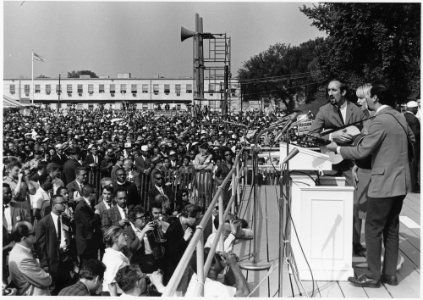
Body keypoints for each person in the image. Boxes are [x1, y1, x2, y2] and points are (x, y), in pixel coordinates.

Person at [327, 83, 414, 287]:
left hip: (383, 184)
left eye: (365, 97)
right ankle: (390, 275)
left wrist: (338, 149)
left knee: (373, 229)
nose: (362, 101)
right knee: (391, 229)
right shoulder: (399, 116)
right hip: (400, 182)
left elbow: (361, 152)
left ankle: (372, 276)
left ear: (375, 98)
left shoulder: (380, 121)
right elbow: (411, 140)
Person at [309, 78, 368, 257]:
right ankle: (326, 241)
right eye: (328, 90)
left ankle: (355, 244)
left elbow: (366, 133)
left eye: (334, 90)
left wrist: (357, 138)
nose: (330, 94)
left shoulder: (356, 110)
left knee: (356, 204)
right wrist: (333, 137)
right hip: (330, 162)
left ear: (343, 92)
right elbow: (313, 134)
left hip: (351, 163)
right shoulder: (324, 110)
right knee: (327, 202)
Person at [35, 195, 75, 294]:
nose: (64, 205)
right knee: (53, 288)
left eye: (65, 203)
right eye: (61, 203)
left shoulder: (65, 219)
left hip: (65, 259)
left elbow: (69, 237)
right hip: (52, 260)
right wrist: (44, 264)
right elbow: (40, 245)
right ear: (53, 205)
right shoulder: (44, 222)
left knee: (66, 287)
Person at [8, 221, 52, 295]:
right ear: (23, 238)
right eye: (33, 233)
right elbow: (46, 281)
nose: (36, 235)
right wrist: (47, 273)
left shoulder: (18, 250)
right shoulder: (23, 258)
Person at [162, 204, 202, 285]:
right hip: (173, 269)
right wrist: (184, 239)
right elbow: (170, 251)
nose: (198, 221)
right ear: (189, 215)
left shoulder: (191, 226)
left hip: (185, 265)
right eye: (196, 218)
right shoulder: (173, 227)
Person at [184, 250, 250, 297]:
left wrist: (230, 264)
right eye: (217, 256)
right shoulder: (213, 287)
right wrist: (234, 264)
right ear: (211, 266)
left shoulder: (196, 275)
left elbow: (231, 282)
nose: (220, 257)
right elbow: (244, 293)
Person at [74, 185, 102, 264]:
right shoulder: (82, 206)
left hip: (90, 243)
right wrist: (96, 215)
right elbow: (89, 224)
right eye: (95, 193)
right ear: (91, 194)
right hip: (85, 244)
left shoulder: (88, 204)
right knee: (87, 266)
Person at [101, 225, 130, 296]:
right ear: (115, 238)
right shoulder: (111, 257)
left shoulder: (116, 254)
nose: (126, 236)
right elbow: (111, 282)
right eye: (123, 235)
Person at [404, 100, 420, 192]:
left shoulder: (403, 116)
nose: (417, 110)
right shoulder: (413, 119)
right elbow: (415, 133)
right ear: (413, 109)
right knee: (414, 165)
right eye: (416, 108)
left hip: (405, 145)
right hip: (414, 145)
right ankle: (414, 186)